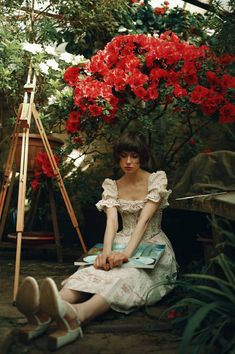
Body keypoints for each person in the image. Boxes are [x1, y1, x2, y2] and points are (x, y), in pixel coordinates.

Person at [16, 131, 177, 350]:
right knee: (93, 270)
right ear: (118, 157)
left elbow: (144, 221)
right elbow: (112, 222)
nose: (128, 161)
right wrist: (106, 253)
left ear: (142, 156)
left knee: (125, 275)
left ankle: (78, 315)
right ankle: (44, 311)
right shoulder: (112, 185)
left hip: (151, 245)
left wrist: (126, 254)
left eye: (134, 155)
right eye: (123, 156)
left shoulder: (156, 179)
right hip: (120, 241)